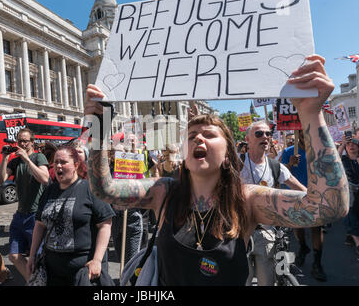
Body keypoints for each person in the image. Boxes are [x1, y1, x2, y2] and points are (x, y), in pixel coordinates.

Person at [84, 55, 349, 285]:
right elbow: (104, 189)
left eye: (209, 134)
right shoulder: (163, 192)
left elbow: (328, 207)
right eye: (191, 136)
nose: (198, 138)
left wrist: (311, 114)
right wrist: (98, 123)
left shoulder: (248, 200)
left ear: (227, 155)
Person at [27, 146, 114, 285]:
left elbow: (105, 224)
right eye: (56, 162)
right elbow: (40, 224)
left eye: (63, 162)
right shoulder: (49, 191)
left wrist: (97, 260)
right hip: (52, 272)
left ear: (76, 165)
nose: (58, 166)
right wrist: (32, 256)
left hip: (83, 272)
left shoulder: (90, 189)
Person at [240, 121, 306, 286]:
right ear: (247, 139)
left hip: (267, 234)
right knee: (242, 280)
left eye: (268, 134)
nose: (265, 137)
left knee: (267, 282)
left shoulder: (276, 167)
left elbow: (302, 192)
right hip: (239, 233)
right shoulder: (235, 163)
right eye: (259, 134)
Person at [0, 128, 50, 281]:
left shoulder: (39, 157)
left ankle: (38, 282)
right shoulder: (14, 161)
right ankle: (34, 282)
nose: (22, 144)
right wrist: (5, 158)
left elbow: (45, 179)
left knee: (38, 257)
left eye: (25, 141)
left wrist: (27, 159)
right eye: (19, 141)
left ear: (32, 142)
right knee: (13, 255)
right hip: (20, 214)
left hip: (36, 215)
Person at [281, 129, 327, 281]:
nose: (303, 135)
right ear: (297, 134)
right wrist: (290, 164)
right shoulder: (288, 151)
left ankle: (317, 263)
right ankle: (303, 247)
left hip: (315, 195)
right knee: (297, 227)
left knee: (316, 228)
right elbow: (280, 173)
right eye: (300, 132)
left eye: (306, 132)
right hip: (294, 196)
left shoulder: (318, 150)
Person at [339, 136, 359, 254]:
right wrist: (342, 145)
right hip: (348, 192)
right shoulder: (343, 159)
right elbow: (334, 159)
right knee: (350, 217)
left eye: (354, 144)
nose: (351, 146)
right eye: (348, 144)